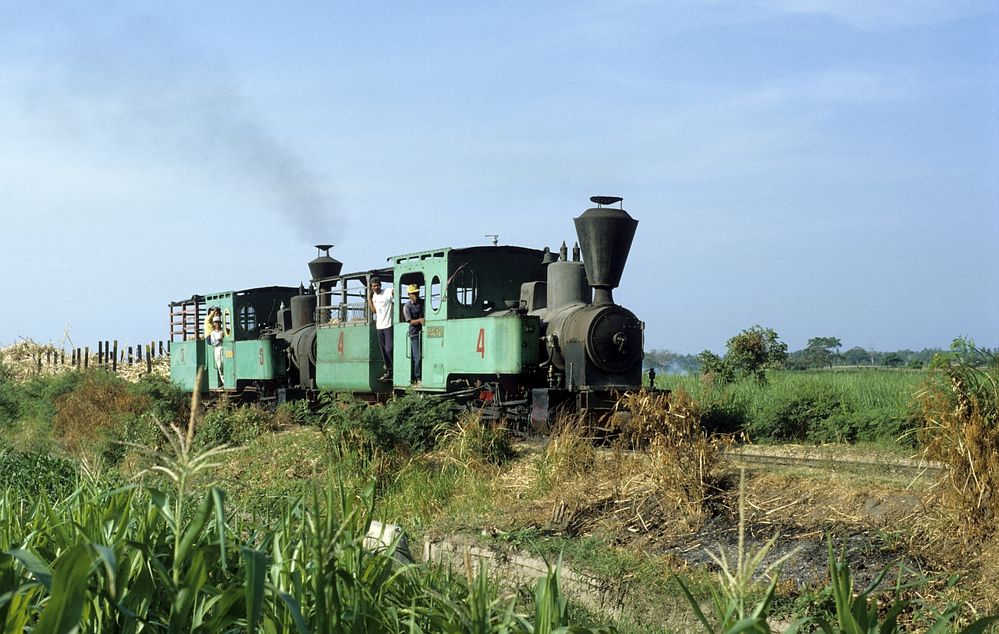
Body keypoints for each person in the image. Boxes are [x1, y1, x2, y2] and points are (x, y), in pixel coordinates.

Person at [368, 277, 394, 381]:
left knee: (389, 348)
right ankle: (389, 370)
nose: (376, 287)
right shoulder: (374, 296)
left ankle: (394, 368)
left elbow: (395, 291)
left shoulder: (387, 292)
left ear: (380, 285)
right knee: (383, 350)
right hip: (380, 326)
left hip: (389, 325)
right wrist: (369, 299)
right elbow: (374, 311)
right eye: (374, 286)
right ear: (371, 287)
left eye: (377, 285)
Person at [402, 283, 425, 386]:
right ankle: (418, 377)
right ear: (408, 294)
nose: (415, 295)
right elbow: (410, 321)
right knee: (417, 357)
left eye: (417, 293)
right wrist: (420, 320)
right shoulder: (407, 306)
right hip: (414, 334)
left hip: (423, 333)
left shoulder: (422, 303)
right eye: (413, 294)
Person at [208, 313, 225, 387]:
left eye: (218, 322)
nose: (217, 324)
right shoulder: (213, 333)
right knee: (220, 366)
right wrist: (220, 339)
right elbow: (214, 343)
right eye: (216, 322)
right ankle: (224, 381)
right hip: (217, 350)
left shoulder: (223, 331)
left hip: (224, 349)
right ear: (214, 324)